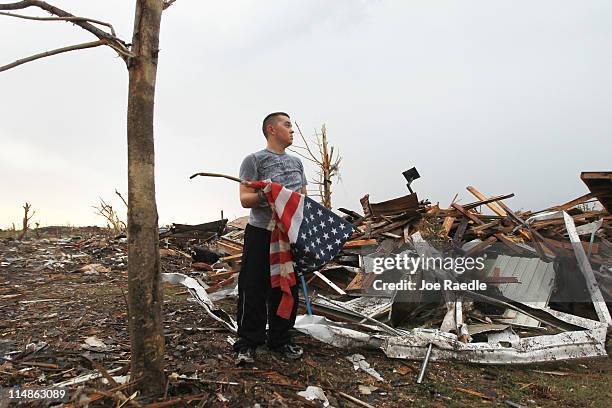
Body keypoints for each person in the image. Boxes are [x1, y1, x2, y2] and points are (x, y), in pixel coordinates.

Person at [234, 112, 308, 365]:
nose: (292, 130)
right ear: (271, 129)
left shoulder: (297, 163)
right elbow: (245, 199)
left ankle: (281, 338)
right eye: (287, 125)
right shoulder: (253, 160)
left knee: (286, 287)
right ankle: (248, 341)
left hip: (289, 235)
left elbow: (303, 200)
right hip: (261, 233)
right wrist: (268, 194)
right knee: (253, 286)